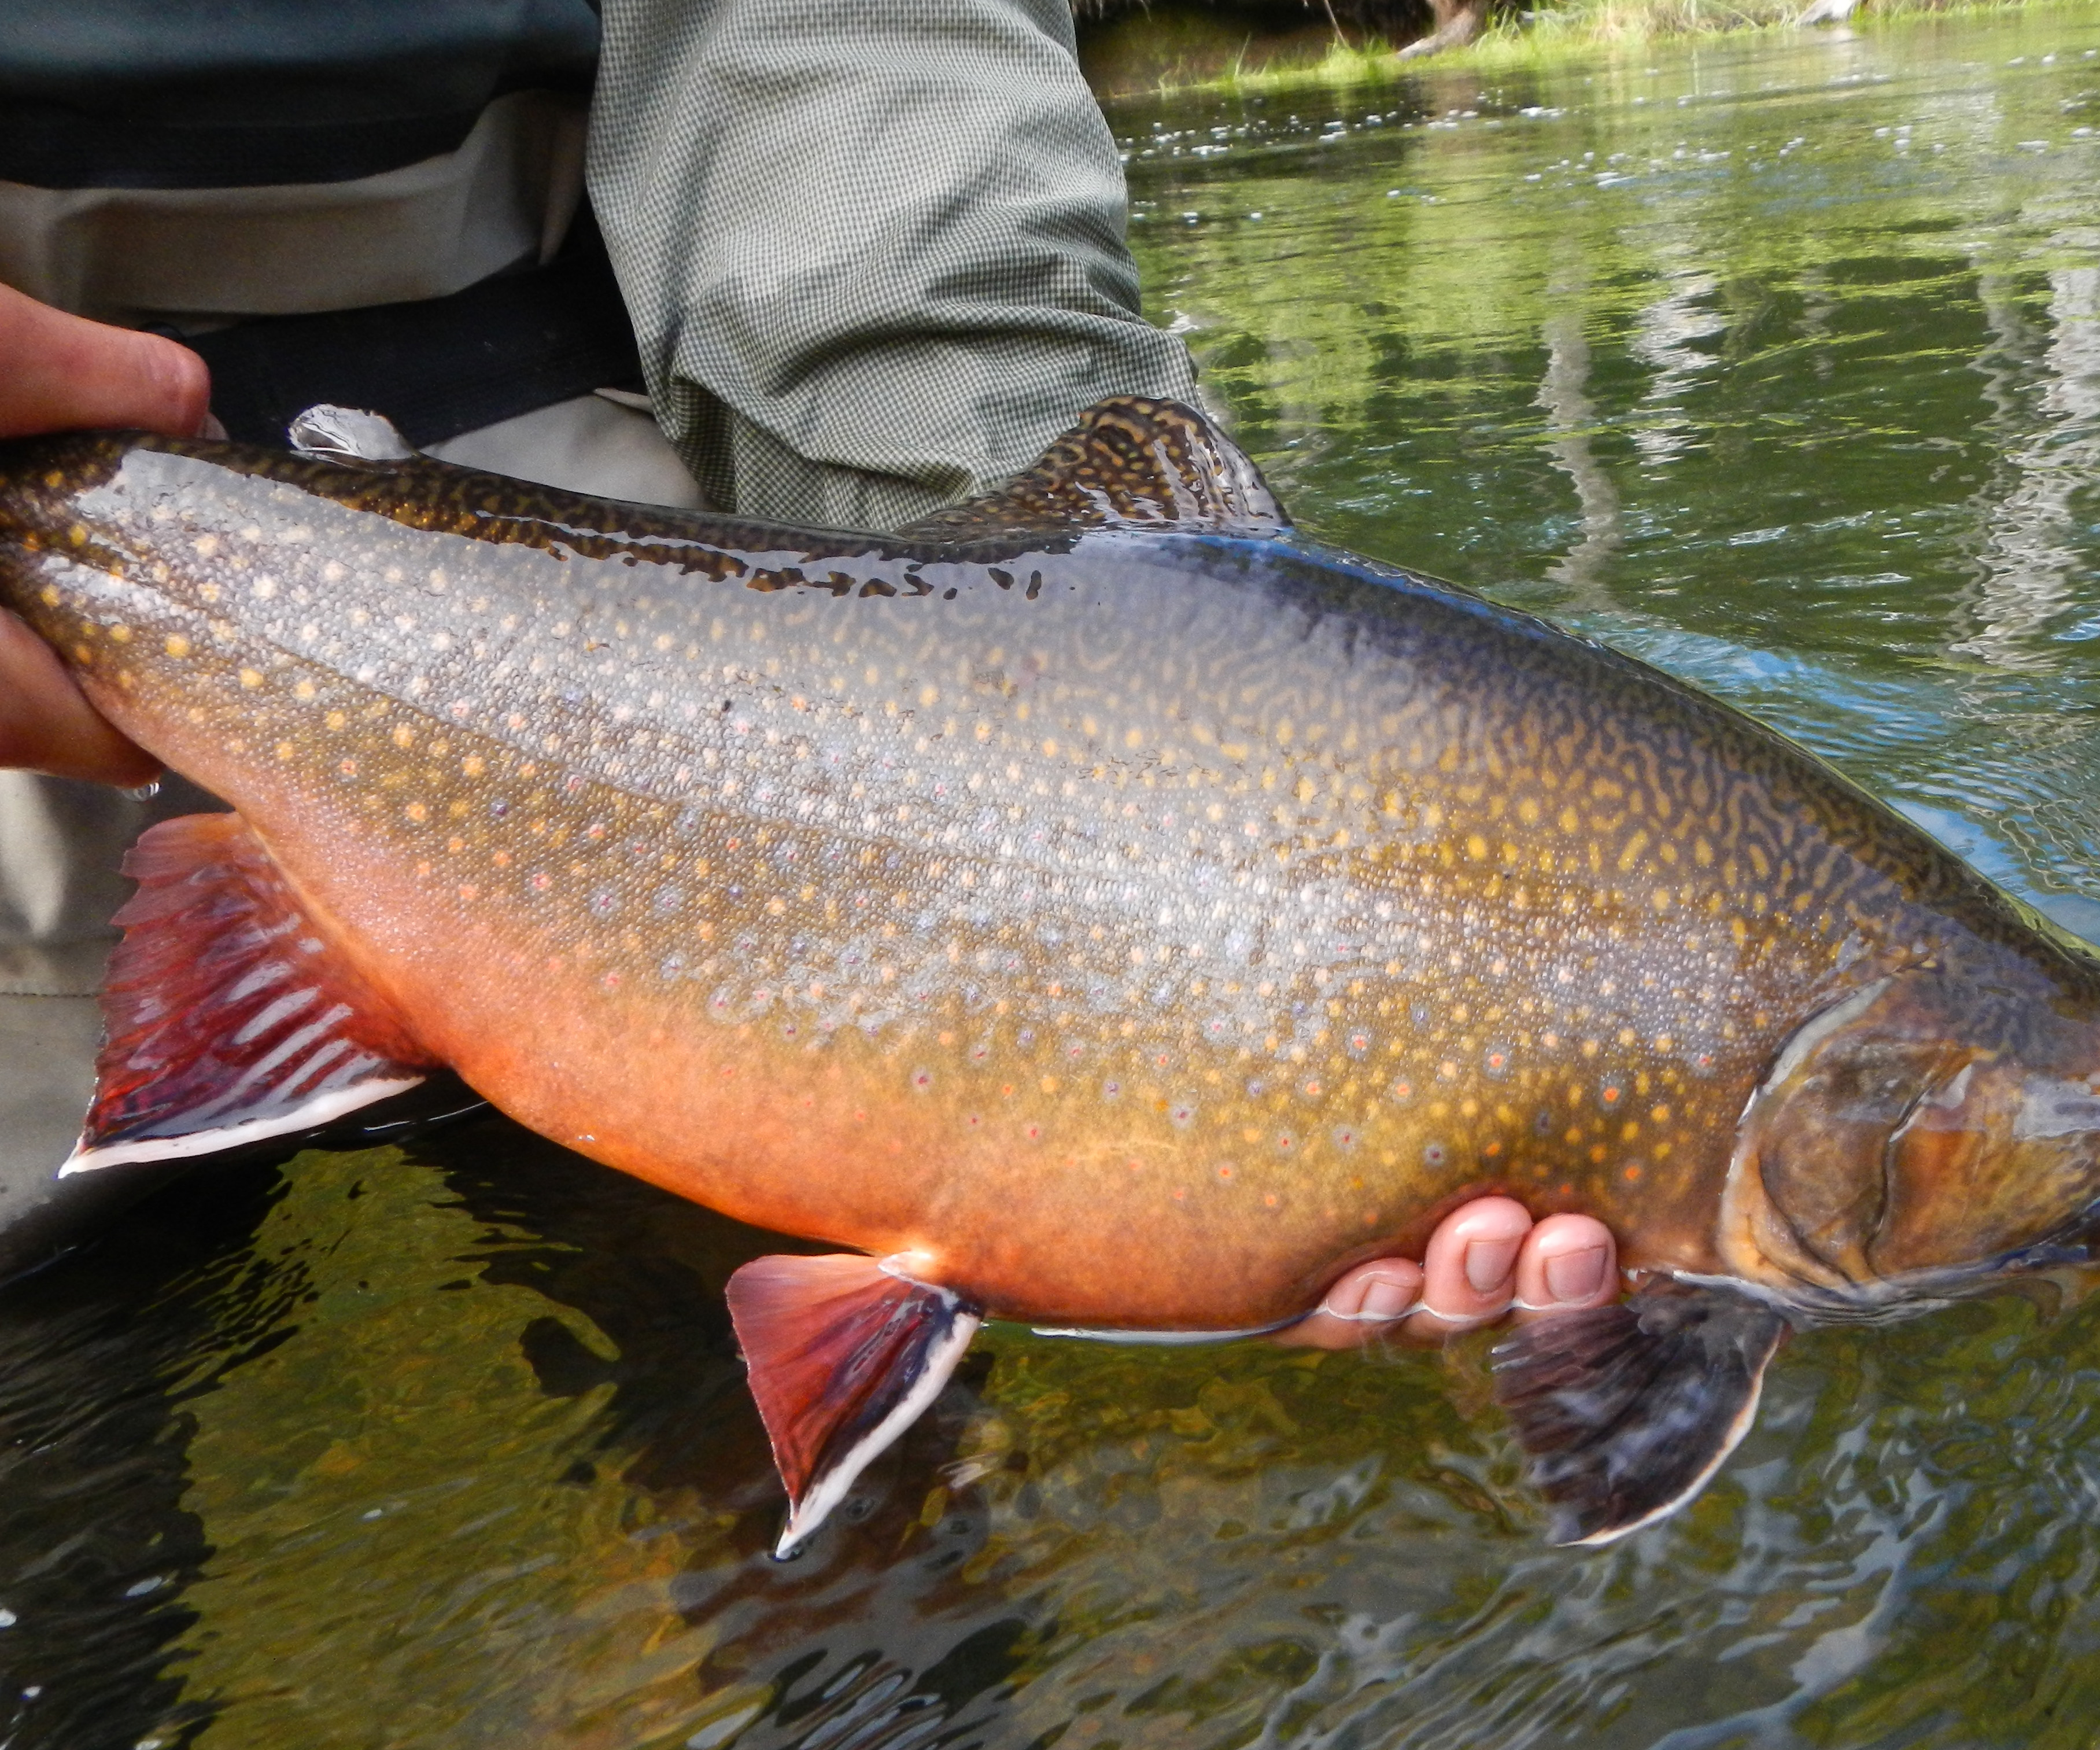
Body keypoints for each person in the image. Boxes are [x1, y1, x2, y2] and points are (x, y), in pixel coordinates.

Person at [0, 0, 1620, 1344]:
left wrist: (1091, 608)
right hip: (303, 603)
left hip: (646, 608)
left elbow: (860, 77)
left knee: (837, 1558)